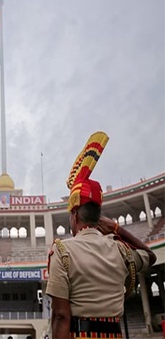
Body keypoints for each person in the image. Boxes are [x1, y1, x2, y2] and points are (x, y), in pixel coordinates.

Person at [46, 132, 156, 339]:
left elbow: (61, 315)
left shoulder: (62, 250)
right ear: (99, 216)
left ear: (75, 214)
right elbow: (150, 256)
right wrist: (118, 229)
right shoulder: (119, 248)